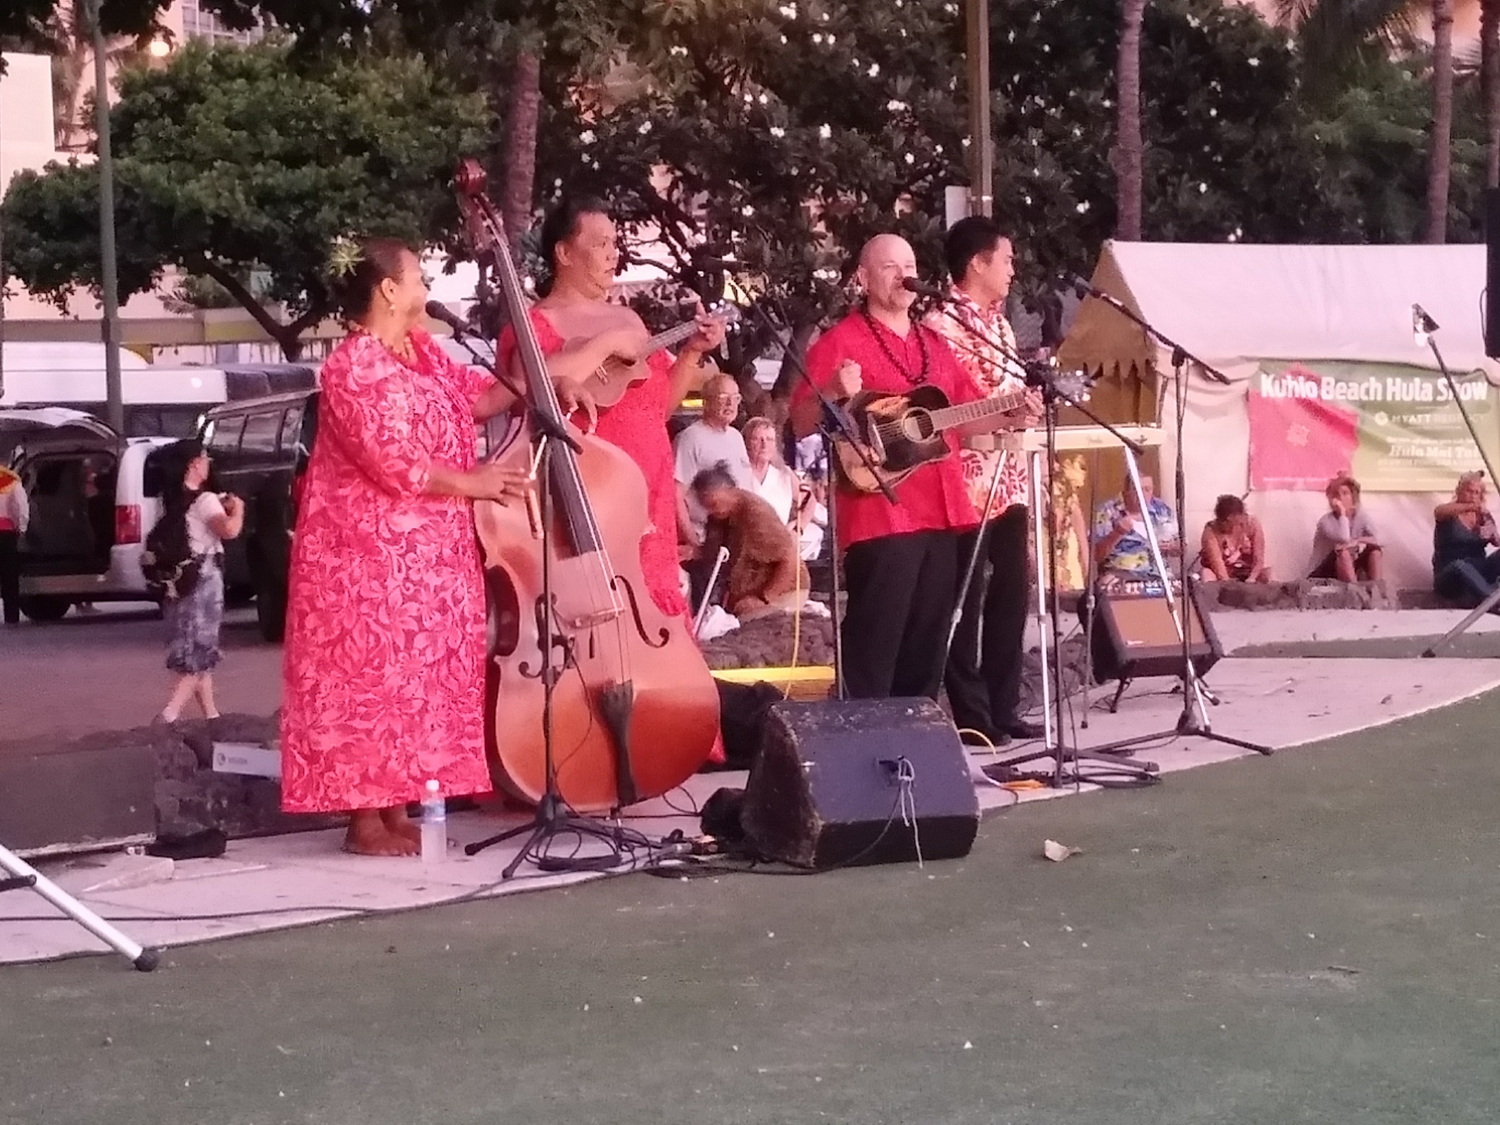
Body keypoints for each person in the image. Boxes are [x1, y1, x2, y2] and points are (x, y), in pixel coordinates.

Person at [280, 237, 582, 857]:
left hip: (431, 554)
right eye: (418, 275)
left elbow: (479, 399)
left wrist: (534, 376)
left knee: (411, 680)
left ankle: (394, 810)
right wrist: (473, 483)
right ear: (389, 289)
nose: (426, 287)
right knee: (368, 679)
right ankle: (363, 820)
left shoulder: (422, 352)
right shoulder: (352, 366)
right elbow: (389, 459)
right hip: (365, 557)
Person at [500, 194, 726, 620]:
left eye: (614, 243)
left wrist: (692, 353)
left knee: (657, 627)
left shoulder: (629, 321)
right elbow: (522, 391)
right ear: (564, 252)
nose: (613, 252)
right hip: (589, 502)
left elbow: (656, 408)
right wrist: (600, 347)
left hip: (649, 494)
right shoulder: (534, 325)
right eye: (601, 243)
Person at [790, 233, 985, 700]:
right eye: (889, 267)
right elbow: (798, 422)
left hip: (939, 509)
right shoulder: (839, 341)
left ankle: (913, 744)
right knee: (875, 645)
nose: (904, 276)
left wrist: (1020, 407)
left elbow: (972, 412)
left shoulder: (933, 344)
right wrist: (836, 390)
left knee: (927, 643)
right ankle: (864, 744)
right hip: (879, 513)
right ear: (862, 278)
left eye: (910, 265)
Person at [923, 216, 1043, 744]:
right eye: (1007, 259)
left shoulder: (999, 323)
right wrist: (1005, 410)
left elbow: (1007, 386)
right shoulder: (941, 322)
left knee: (1012, 592)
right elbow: (949, 403)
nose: (1013, 269)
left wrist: (1027, 405)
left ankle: (1004, 703)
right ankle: (972, 713)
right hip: (965, 477)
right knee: (965, 599)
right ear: (977, 263)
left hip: (1010, 474)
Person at [155, 439, 244, 724]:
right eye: (205, 458)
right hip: (204, 579)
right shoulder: (204, 501)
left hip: (180, 579)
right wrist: (238, 509)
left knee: (196, 649)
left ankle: (212, 716)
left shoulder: (170, 500)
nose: (209, 463)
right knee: (201, 650)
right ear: (194, 464)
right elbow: (229, 531)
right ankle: (169, 715)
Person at [692, 463, 810, 619]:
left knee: (746, 626)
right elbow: (717, 553)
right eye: (706, 507)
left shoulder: (755, 514)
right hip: (745, 594)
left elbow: (789, 558)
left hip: (784, 591)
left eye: (714, 504)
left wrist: (764, 597)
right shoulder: (718, 516)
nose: (712, 511)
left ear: (731, 490)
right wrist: (695, 552)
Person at [675, 373, 754, 544]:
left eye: (735, 398)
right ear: (707, 401)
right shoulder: (691, 437)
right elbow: (676, 495)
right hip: (708, 537)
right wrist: (692, 541)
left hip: (738, 535)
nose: (730, 404)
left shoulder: (736, 437)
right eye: (723, 397)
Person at [1093, 474, 1181, 584]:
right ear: (1126, 491)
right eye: (1137, 490)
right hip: (1122, 575)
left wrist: (1172, 547)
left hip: (1160, 576)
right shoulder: (1107, 511)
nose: (1142, 495)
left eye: (1147, 489)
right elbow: (1096, 555)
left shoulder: (1161, 509)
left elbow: (1181, 548)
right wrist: (1117, 533)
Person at [1432, 470, 1500, 606]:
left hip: (1479, 569)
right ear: (1459, 491)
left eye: (1476, 493)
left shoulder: (1483, 515)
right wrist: (1470, 507)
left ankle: (1490, 594)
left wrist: (1492, 533)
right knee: (1461, 566)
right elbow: (1438, 512)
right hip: (1450, 574)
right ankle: (1492, 598)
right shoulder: (1448, 513)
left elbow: (1496, 541)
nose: (1473, 496)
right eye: (1469, 491)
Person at [1309, 474, 1382, 583]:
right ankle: (1355, 592)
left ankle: (1377, 590)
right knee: (1343, 552)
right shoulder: (1325, 521)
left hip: (1348, 565)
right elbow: (1344, 538)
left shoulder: (1361, 517)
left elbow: (1380, 540)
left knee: (1375, 551)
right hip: (1322, 571)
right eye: (1336, 494)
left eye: (1345, 493)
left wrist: (1359, 541)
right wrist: (1343, 513)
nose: (1340, 498)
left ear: (1353, 497)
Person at [1200, 494, 1270, 583]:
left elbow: (1259, 558)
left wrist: (1252, 578)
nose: (1230, 525)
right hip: (1224, 575)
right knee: (1206, 574)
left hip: (1248, 572)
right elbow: (1217, 564)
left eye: (1234, 521)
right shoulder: (1210, 531)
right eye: (1225, 521)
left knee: (1269, 574)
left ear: (1241, 516)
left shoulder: (1252, 524)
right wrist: (1230, 585)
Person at [742, 416, 799, 524]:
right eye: (757, 439)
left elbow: (809, 502)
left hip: (778, 538)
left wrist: (797, 529)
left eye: (769, 439)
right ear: (746, 443)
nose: (764, 445)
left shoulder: (785, 474)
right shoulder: (738, 472)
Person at [0, 466, 29, 625]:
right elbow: (20, 506)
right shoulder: (10, 479)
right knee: (9, 579)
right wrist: (21, 527)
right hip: (5, 534)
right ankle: (11, 617)